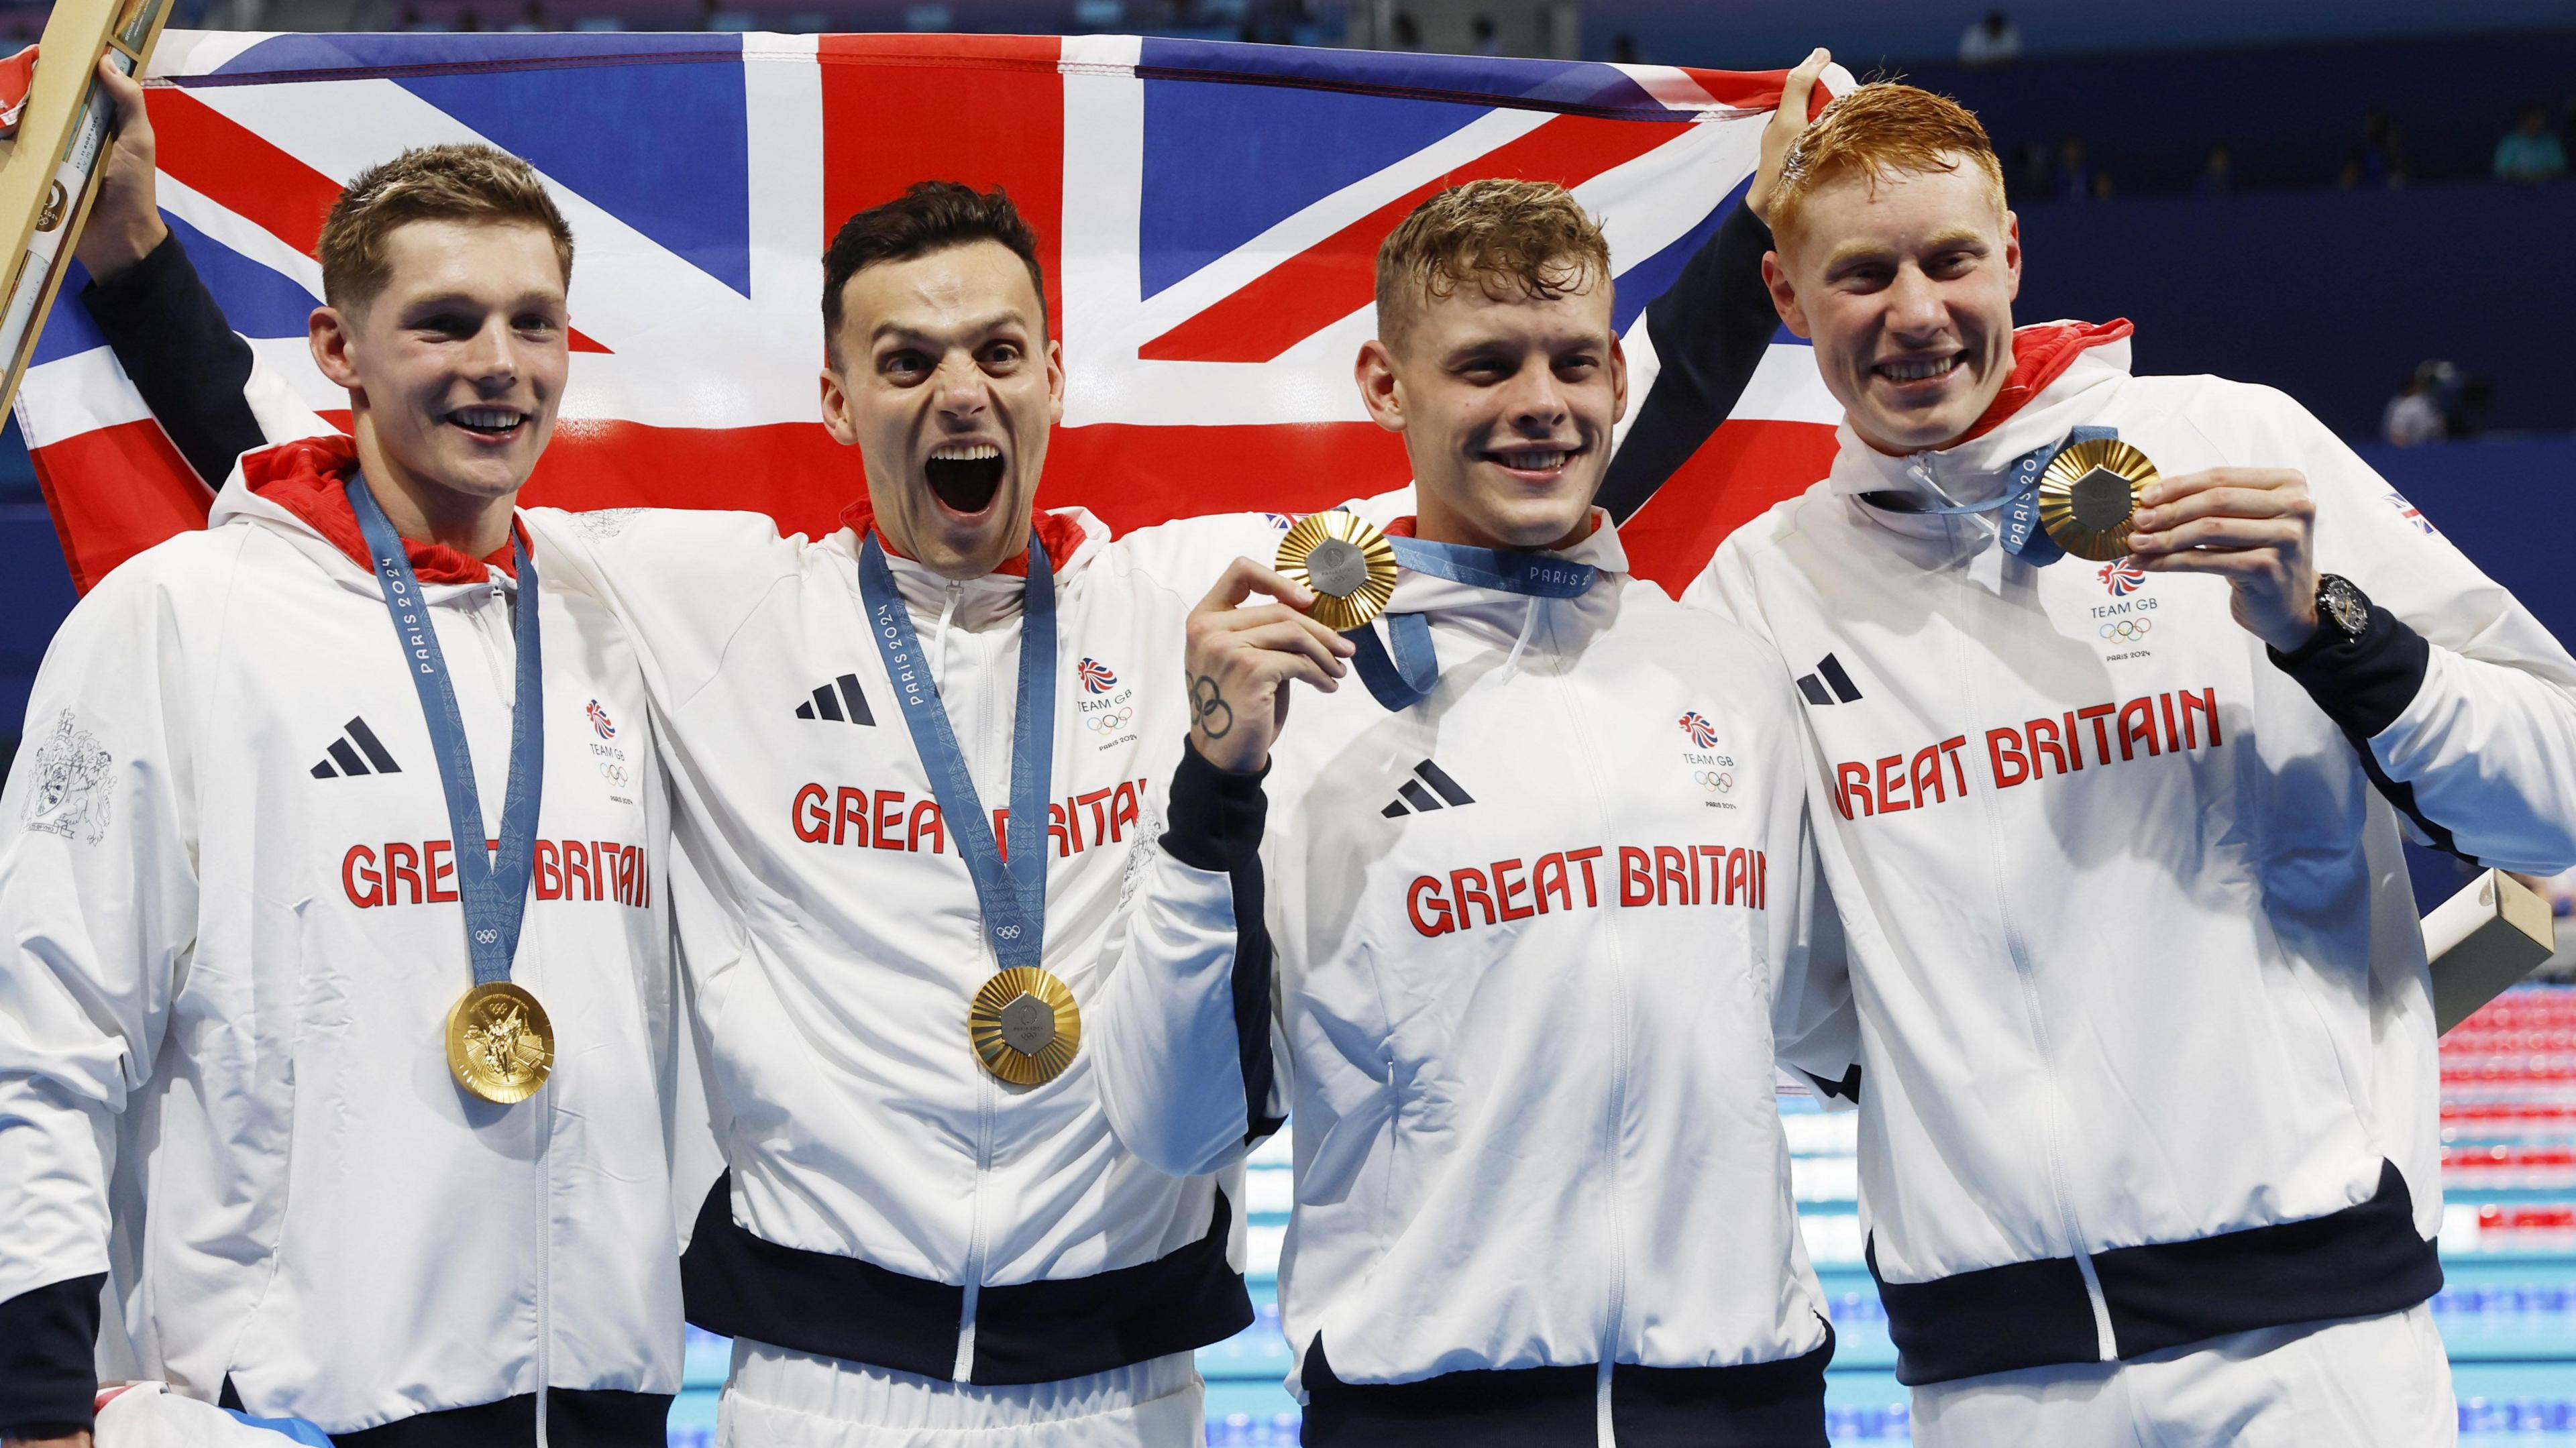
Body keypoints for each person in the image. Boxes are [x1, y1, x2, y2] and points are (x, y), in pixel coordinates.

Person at [44, 46, 1834, 1447]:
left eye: (996, 352)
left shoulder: (1186, 600)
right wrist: (132, 260)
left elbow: (1544, 456)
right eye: (904, 362)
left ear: (1057, 374)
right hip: (818, 1384)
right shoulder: (694, 600)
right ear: (837, 400)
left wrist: (1748, 266)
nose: (957, 394)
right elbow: (395, 486)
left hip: (1133, 1381)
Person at [1690, 81, 2576, 1443]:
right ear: (1788, 295)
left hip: (2316, 1337)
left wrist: (2332, 632)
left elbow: (2554, 788)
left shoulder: (2238, 444)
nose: (1915, 312)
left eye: (1949, 259)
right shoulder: (1764, 592)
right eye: (1860, 274)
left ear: (2014, 256)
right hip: (1994, 1370)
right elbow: (1787, 985)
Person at [1091, 176, 1849, 1446]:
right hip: (1427, 1409)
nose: (1540, 405)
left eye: (1572, 362)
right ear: (1386, 386)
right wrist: (1214, 784)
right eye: (1487, 365)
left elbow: (1822, 1019)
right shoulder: (1290, 703)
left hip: (1746, 1402)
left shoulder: (1725, 674)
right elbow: (1174, 1120)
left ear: (1619, 376)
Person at [0, 99, 686, 1448]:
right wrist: (29, 1394)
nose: (500, 365)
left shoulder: (623, 612)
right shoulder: (178, 617)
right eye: (443, 322)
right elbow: (45, 1021)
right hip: (305, 1407)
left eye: (535, 322)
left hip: (604, 1398)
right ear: (339, 349)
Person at [2494, 103, 2568, 184]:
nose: (2537, 123)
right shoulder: (2510, 142)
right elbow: (2501, 170)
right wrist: (2522, 177)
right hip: (2514, 190)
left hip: (2547, 189)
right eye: (2533, 118)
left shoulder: (2550, 141)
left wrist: (2540, 175)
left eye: (2540, 119)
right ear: (2523, 120)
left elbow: (2559, 168)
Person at [1957, 10, 2021, 67]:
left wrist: (1989, 61)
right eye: (1993, 25)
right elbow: (1965, 58)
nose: (1995, 28)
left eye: (1997, 25)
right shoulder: (1974, 33)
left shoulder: (2010, 32)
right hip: (1977, 72)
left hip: (2004, 70)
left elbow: (2013, 57)